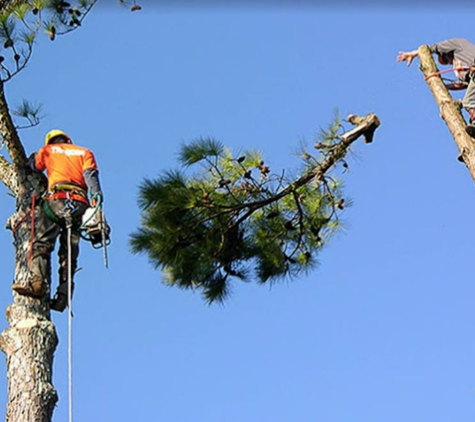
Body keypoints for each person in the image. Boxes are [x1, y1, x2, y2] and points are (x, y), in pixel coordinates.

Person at [12, 129, 104, 312]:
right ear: (68, 140)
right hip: (80, 205)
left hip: (56, 201)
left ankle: (37, 282)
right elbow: (91, 178)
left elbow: (34, 166)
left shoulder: (47, 151)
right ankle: (63, 296)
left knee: (41, 243)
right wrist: (96, 204)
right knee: (69, 253)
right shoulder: (84, 152)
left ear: (50, 141)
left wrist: (31, 159)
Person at [397, 38, 475, 137]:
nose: (450, 63)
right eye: (447, 63)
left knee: (468, 102)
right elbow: (464, 84)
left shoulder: (458, 46)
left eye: (447, 60)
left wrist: (413, 53)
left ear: (446, 53)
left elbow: (433, 48)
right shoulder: (461, 67)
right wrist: (443, 86)